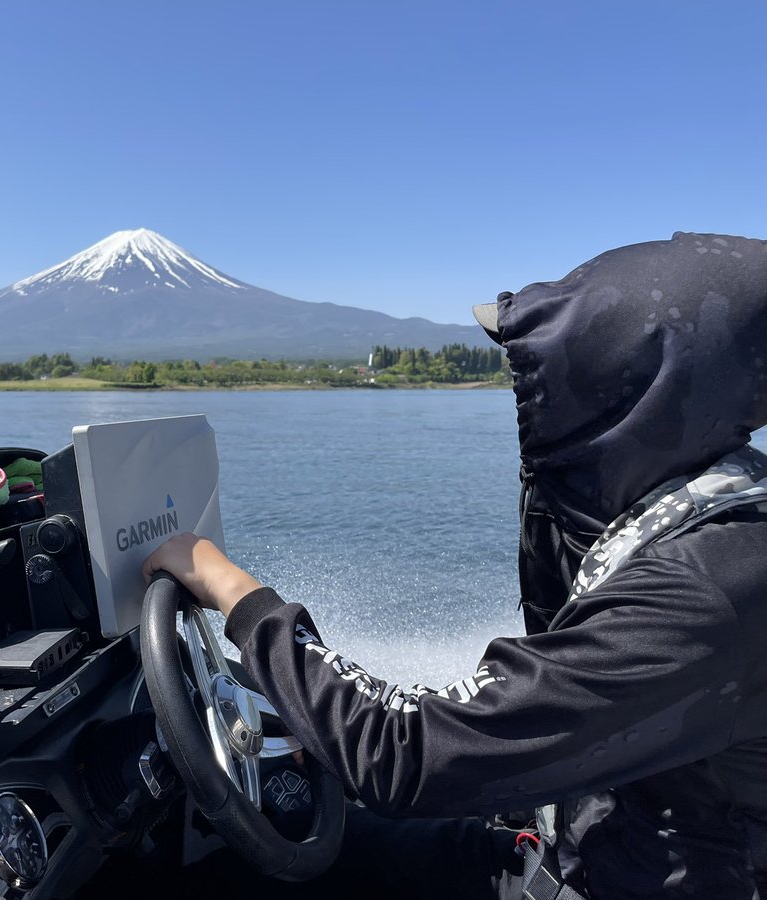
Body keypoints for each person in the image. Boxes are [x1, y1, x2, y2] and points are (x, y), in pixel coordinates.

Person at [144, 232, 767, 899]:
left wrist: (232, 590)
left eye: (546, 381)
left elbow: (406, 756)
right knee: (335, 836)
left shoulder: (712, 589)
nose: (527, 404)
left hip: (618, 878)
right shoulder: (698, 509)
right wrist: (312, 716)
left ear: (617, 390)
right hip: (590, 829)